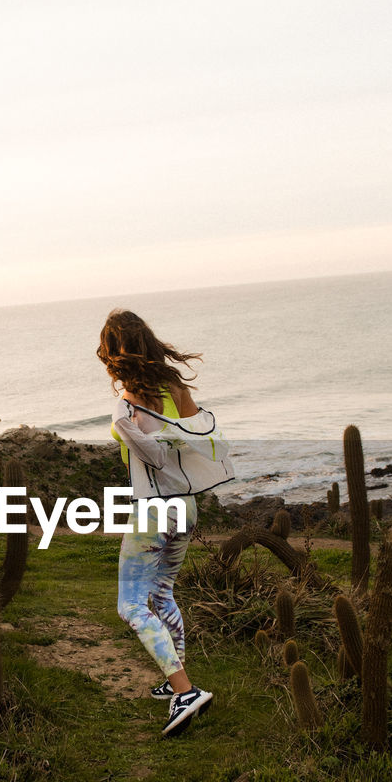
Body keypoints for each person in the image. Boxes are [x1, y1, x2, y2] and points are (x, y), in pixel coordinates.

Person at [97, 310, 234, 737]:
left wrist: (134, 429)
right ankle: (177, 680)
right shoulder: (175, 387)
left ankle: (186, 691)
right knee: (163, 591)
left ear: (115, 353)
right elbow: (202, 441)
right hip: (186, 507)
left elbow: (150, 456)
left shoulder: (127, 403)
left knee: (132, 604)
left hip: (153, 509)